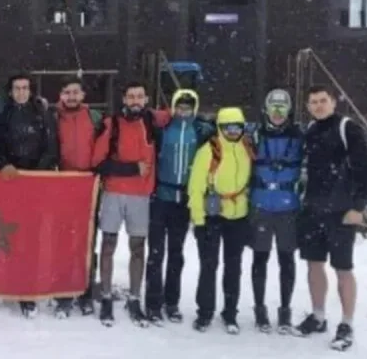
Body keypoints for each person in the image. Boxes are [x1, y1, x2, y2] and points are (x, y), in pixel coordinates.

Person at [294, 85, 367, 351]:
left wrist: (358, 206)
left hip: (341, 211)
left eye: (322, 101)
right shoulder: (311, 132)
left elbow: (365, 169)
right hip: (313, 210)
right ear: (307, 107)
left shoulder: (347, 128)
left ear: (333, 102)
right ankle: (318, 316)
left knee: (343, 268)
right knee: (314, 265)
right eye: (313, 102)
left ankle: (347, 324)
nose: (318, 106)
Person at [90, 81, 170, 327]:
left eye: (140, 97)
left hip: (141, 196)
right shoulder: (111, 124)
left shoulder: (152, 121)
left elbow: (178, 111)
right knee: (108, 244)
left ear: (146, 100)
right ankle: (105, 296)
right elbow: (98, 162)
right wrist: (131, 168)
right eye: (131, 97)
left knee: (138, 247)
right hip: (114, 192)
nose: (135, 101)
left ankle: (135, 298)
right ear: (124, 99)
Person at [144, 89, 214, 325]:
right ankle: (152, 303)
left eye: (188, 107)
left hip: (183, 200)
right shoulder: (163, 128)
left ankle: (171, 301)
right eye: (180, 106)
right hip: (161, 197)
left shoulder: (201, 130)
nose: (183, 111)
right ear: (173, 107)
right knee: (155, 253)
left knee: (176, 253)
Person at [0, 72, 59, 318]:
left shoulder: (41, 114)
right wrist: (4, 164)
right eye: (17, 88)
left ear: (30, 91)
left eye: (25, 88)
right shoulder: (4, 114)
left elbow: (51, 148)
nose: (21, 92)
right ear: (10, 92)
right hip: (11, 184)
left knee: (32, 238)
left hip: (35, 183)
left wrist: (36, 174)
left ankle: (28, 289)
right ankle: (13, 283)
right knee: (12, 237)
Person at [187, 107, 254, 334]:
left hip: (239, 215)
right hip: (212, 215)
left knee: (233, 267)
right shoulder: (209, 150)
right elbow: (195, 187)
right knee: (209, 265)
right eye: (228, 127)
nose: (233, 132)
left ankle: (230, 313)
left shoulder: (246, 148)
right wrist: (198, 220)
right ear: (220, 128)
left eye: (238, 127)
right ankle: (205, 312)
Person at [249, 89, 304, 334]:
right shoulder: (255, 135)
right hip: (261, 205)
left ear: (289, 111)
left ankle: (285, 311)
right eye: (274, 108)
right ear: (266, 110)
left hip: (288, 207)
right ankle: (260, 309)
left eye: (282, 109)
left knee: (286, 260)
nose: (278, 114)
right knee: (260, 258)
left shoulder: (299, 136)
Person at [51, 76, 103, 317]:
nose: (71, 97)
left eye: (75, 92)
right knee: (63, 240)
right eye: (67, 92)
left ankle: (85, 289)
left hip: (88, 187)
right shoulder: (52, 117)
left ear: (83, 96)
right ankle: (63, 290)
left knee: (88, 240)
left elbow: (105, 148)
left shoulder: (94, 118)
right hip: (62, 186)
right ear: (60, 96)